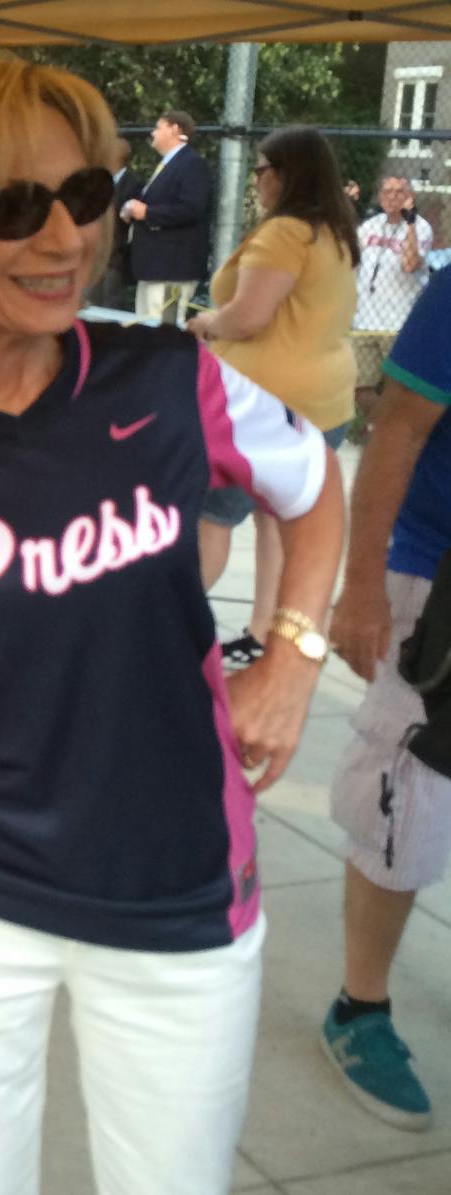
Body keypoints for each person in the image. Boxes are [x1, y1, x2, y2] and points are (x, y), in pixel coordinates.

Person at [0, 58, 344, 1195]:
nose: (63, 236)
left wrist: (295, 658)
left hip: (181, 880)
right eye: (13, 207)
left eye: (84, 193)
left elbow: (311, 488)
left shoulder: (167, 378)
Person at [320, 266, 451, 1134]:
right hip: (435, 579)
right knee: (409, 790)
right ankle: (359, 1007)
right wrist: (361, 584)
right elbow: (397, 426)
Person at [187, 127, 358, 662]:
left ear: (285, 174)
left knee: (211, 517)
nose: (257, 179)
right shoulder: (334, 232)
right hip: (325, 400)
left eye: (262, 168)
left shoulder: (285, 233)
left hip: (262, 407)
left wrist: (206, 322)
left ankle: (165, 624)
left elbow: (247, 317)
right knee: (275, 522)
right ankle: (263, 634)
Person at [351, 176, 433, 417]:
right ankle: (381, 430)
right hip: (365, 321)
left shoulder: (421, 227)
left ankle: (389, 434)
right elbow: (352, 264)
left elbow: (409, 265)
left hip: (399, 324)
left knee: (397, 391)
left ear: (410, 197)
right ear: (379, 196)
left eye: (399, 192)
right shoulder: (369, 226)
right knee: (359, 388)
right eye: (387, 192)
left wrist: (409, 224)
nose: (393, 197)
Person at [123, 108, 212, 324]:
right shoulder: (169, 166)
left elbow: (191, 208)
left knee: (163, 331)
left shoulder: (191, 164)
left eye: (158, 127)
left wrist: (147, 212)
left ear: (174, 129)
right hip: (154, 269)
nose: (153, 133)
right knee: (145, 327)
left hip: (171, 269)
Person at [87, 136, 142, 310]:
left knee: (110, 305)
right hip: (95, 258)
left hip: (116, 259)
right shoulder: (98, 182)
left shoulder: (134, 184)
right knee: (90, 305)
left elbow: (129, 223)